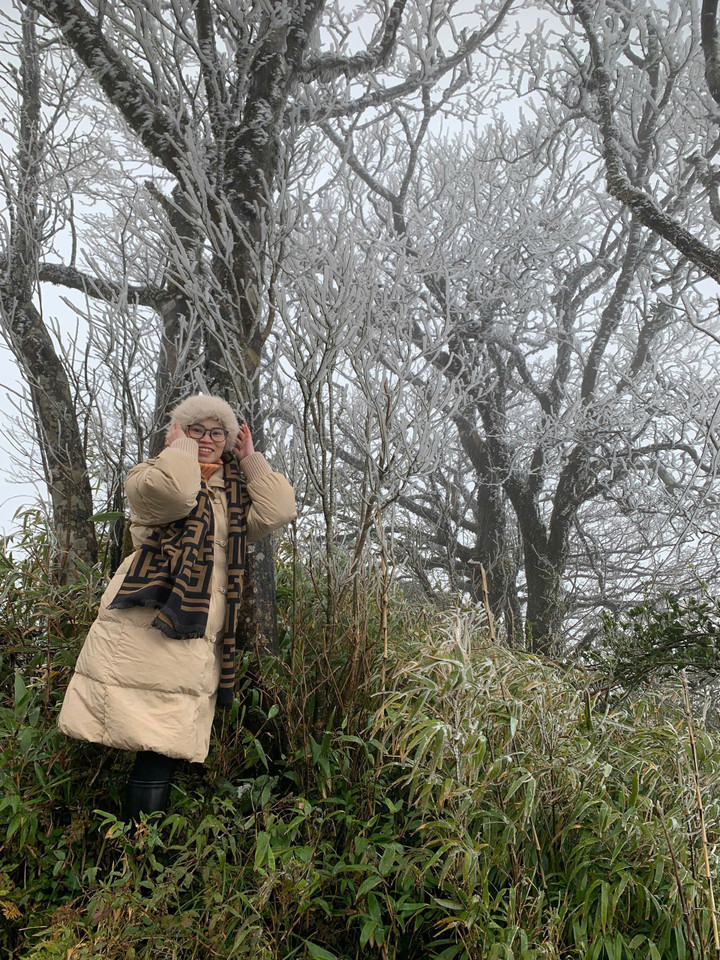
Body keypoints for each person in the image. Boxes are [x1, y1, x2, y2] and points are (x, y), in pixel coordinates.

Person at [57, 394, 297, 818]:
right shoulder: (150, 475)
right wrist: (178, 450)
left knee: (162, 740)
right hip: (147, 622)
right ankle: (136, 848)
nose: (207, 439)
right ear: (178, 434)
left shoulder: (233, 495)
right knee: (153, 739)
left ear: (229, 440)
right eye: (196, 429)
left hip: (194, 627)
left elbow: (280, 509)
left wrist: (252, 460)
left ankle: (139, 846)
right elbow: (178, 495)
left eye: (216, 431)